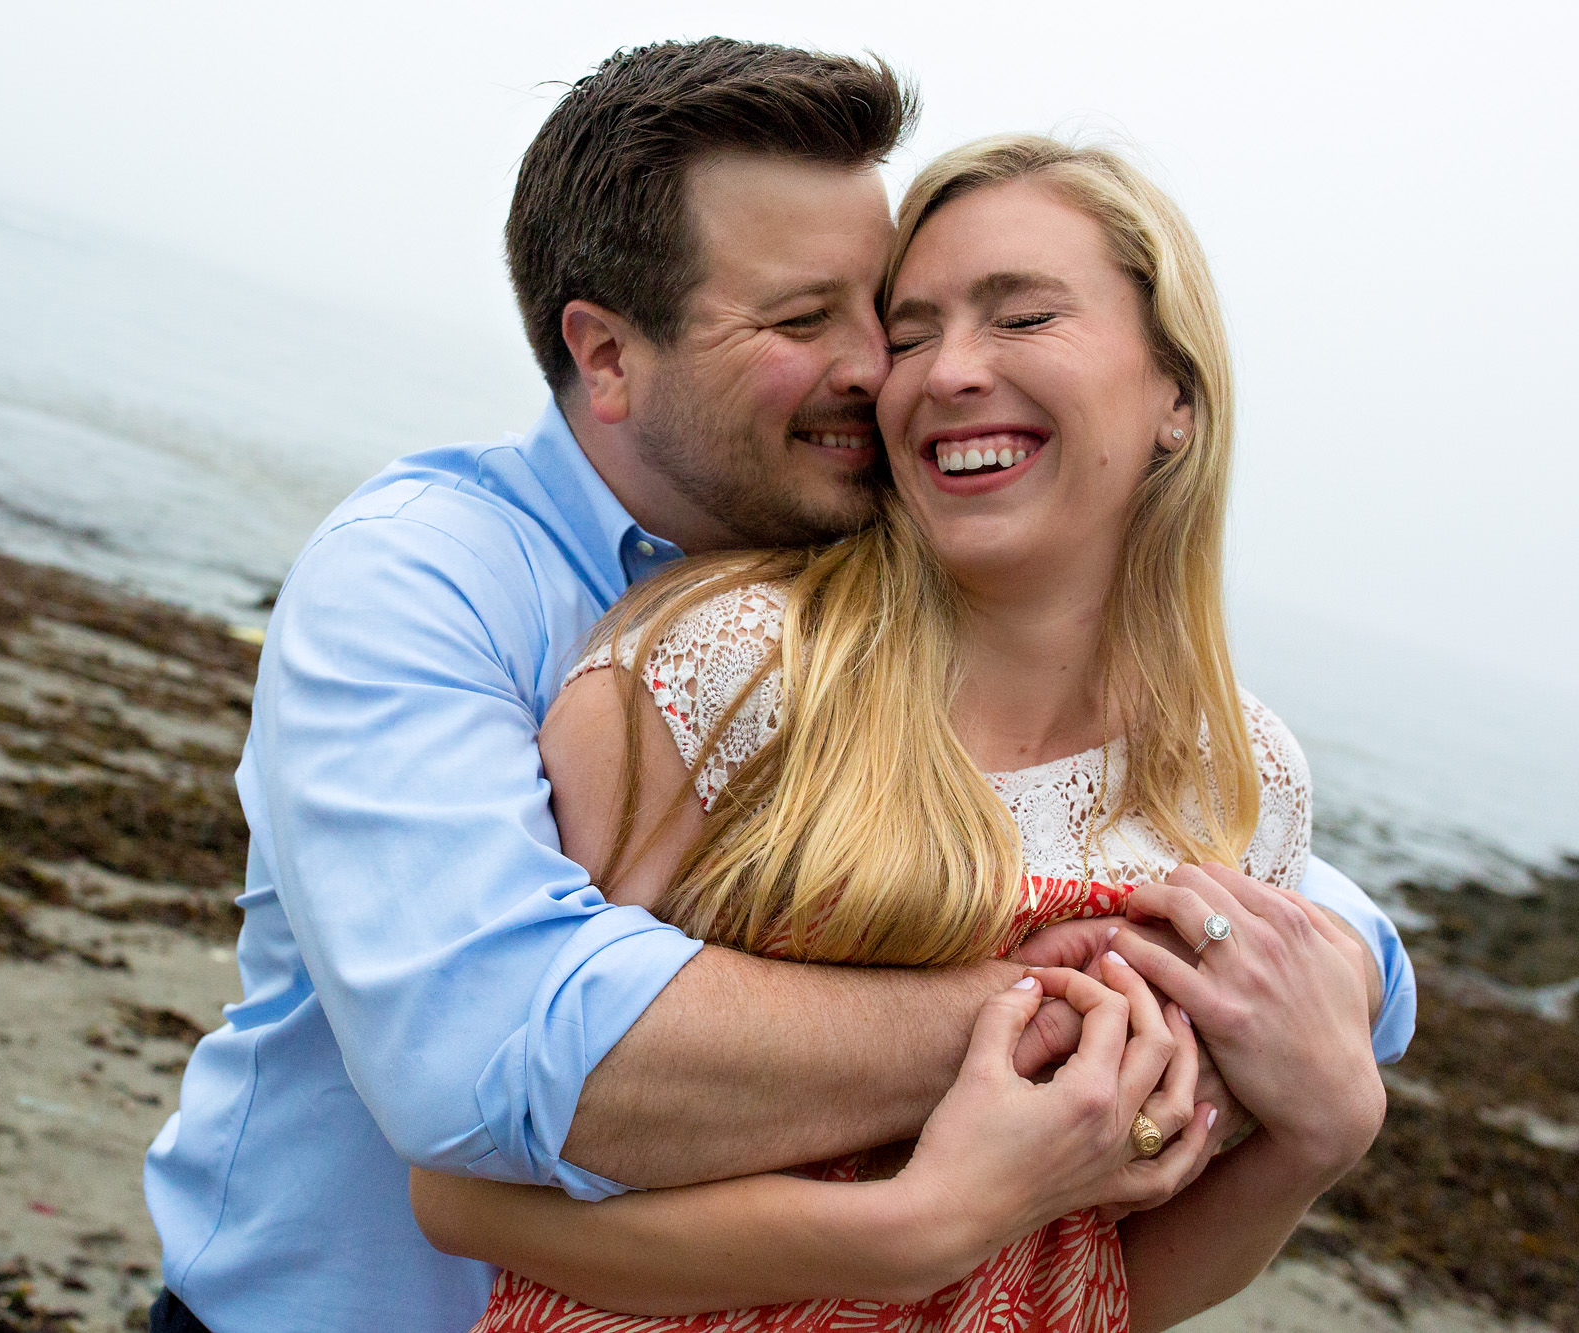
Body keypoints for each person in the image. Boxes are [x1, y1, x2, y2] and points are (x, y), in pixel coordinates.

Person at [143, 40, 1414, 1333]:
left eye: (882, 313)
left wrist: (1337, 1006)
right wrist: (1047, 1020)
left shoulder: (944, 630)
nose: (890, 370)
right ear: (609, 356)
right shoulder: (435, 582)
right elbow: (488, 1064)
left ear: (1179, 395)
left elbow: (1202, 888)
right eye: (813, 321)